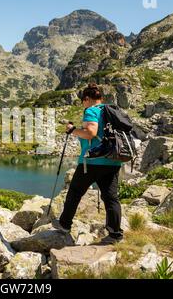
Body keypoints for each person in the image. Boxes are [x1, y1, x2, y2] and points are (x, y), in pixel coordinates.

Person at [52, 83, 124, 245]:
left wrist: (72, 130)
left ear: (86, 99)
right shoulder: (111, 111)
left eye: (83, 101)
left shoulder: (91, 110)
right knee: (111, 198)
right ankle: (115, 234)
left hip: (92, 161)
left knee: (75, 191)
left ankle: (64, 224)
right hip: (113, 160)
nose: (83, 104)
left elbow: (90, 133)